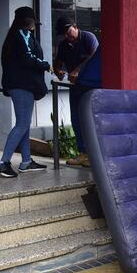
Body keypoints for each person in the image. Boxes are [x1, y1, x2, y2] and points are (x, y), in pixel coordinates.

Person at [0, 7, 51, 178]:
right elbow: (28, 58)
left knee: (23, 124)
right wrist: (45, 65)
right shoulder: (22, 34)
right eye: (32, 22)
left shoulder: (13, 36)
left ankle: (26, 161)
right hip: (23, 85)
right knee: (22, 124)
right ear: (27, 21)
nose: (34, 26)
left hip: (18, 85)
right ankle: (3, 162)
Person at [53, 18, 99, 168]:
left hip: (92, 86)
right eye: (64, 35)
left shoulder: (88, 37)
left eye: (68, 32)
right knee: (76, 119)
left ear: (75, 27)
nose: (67, 36)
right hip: (76, 87)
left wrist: (78, 70)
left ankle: (95, 155)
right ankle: (83, 153)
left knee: (92, 119)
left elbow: (95, 57)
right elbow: (58, 62)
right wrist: (58, 70)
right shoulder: (64, 44)